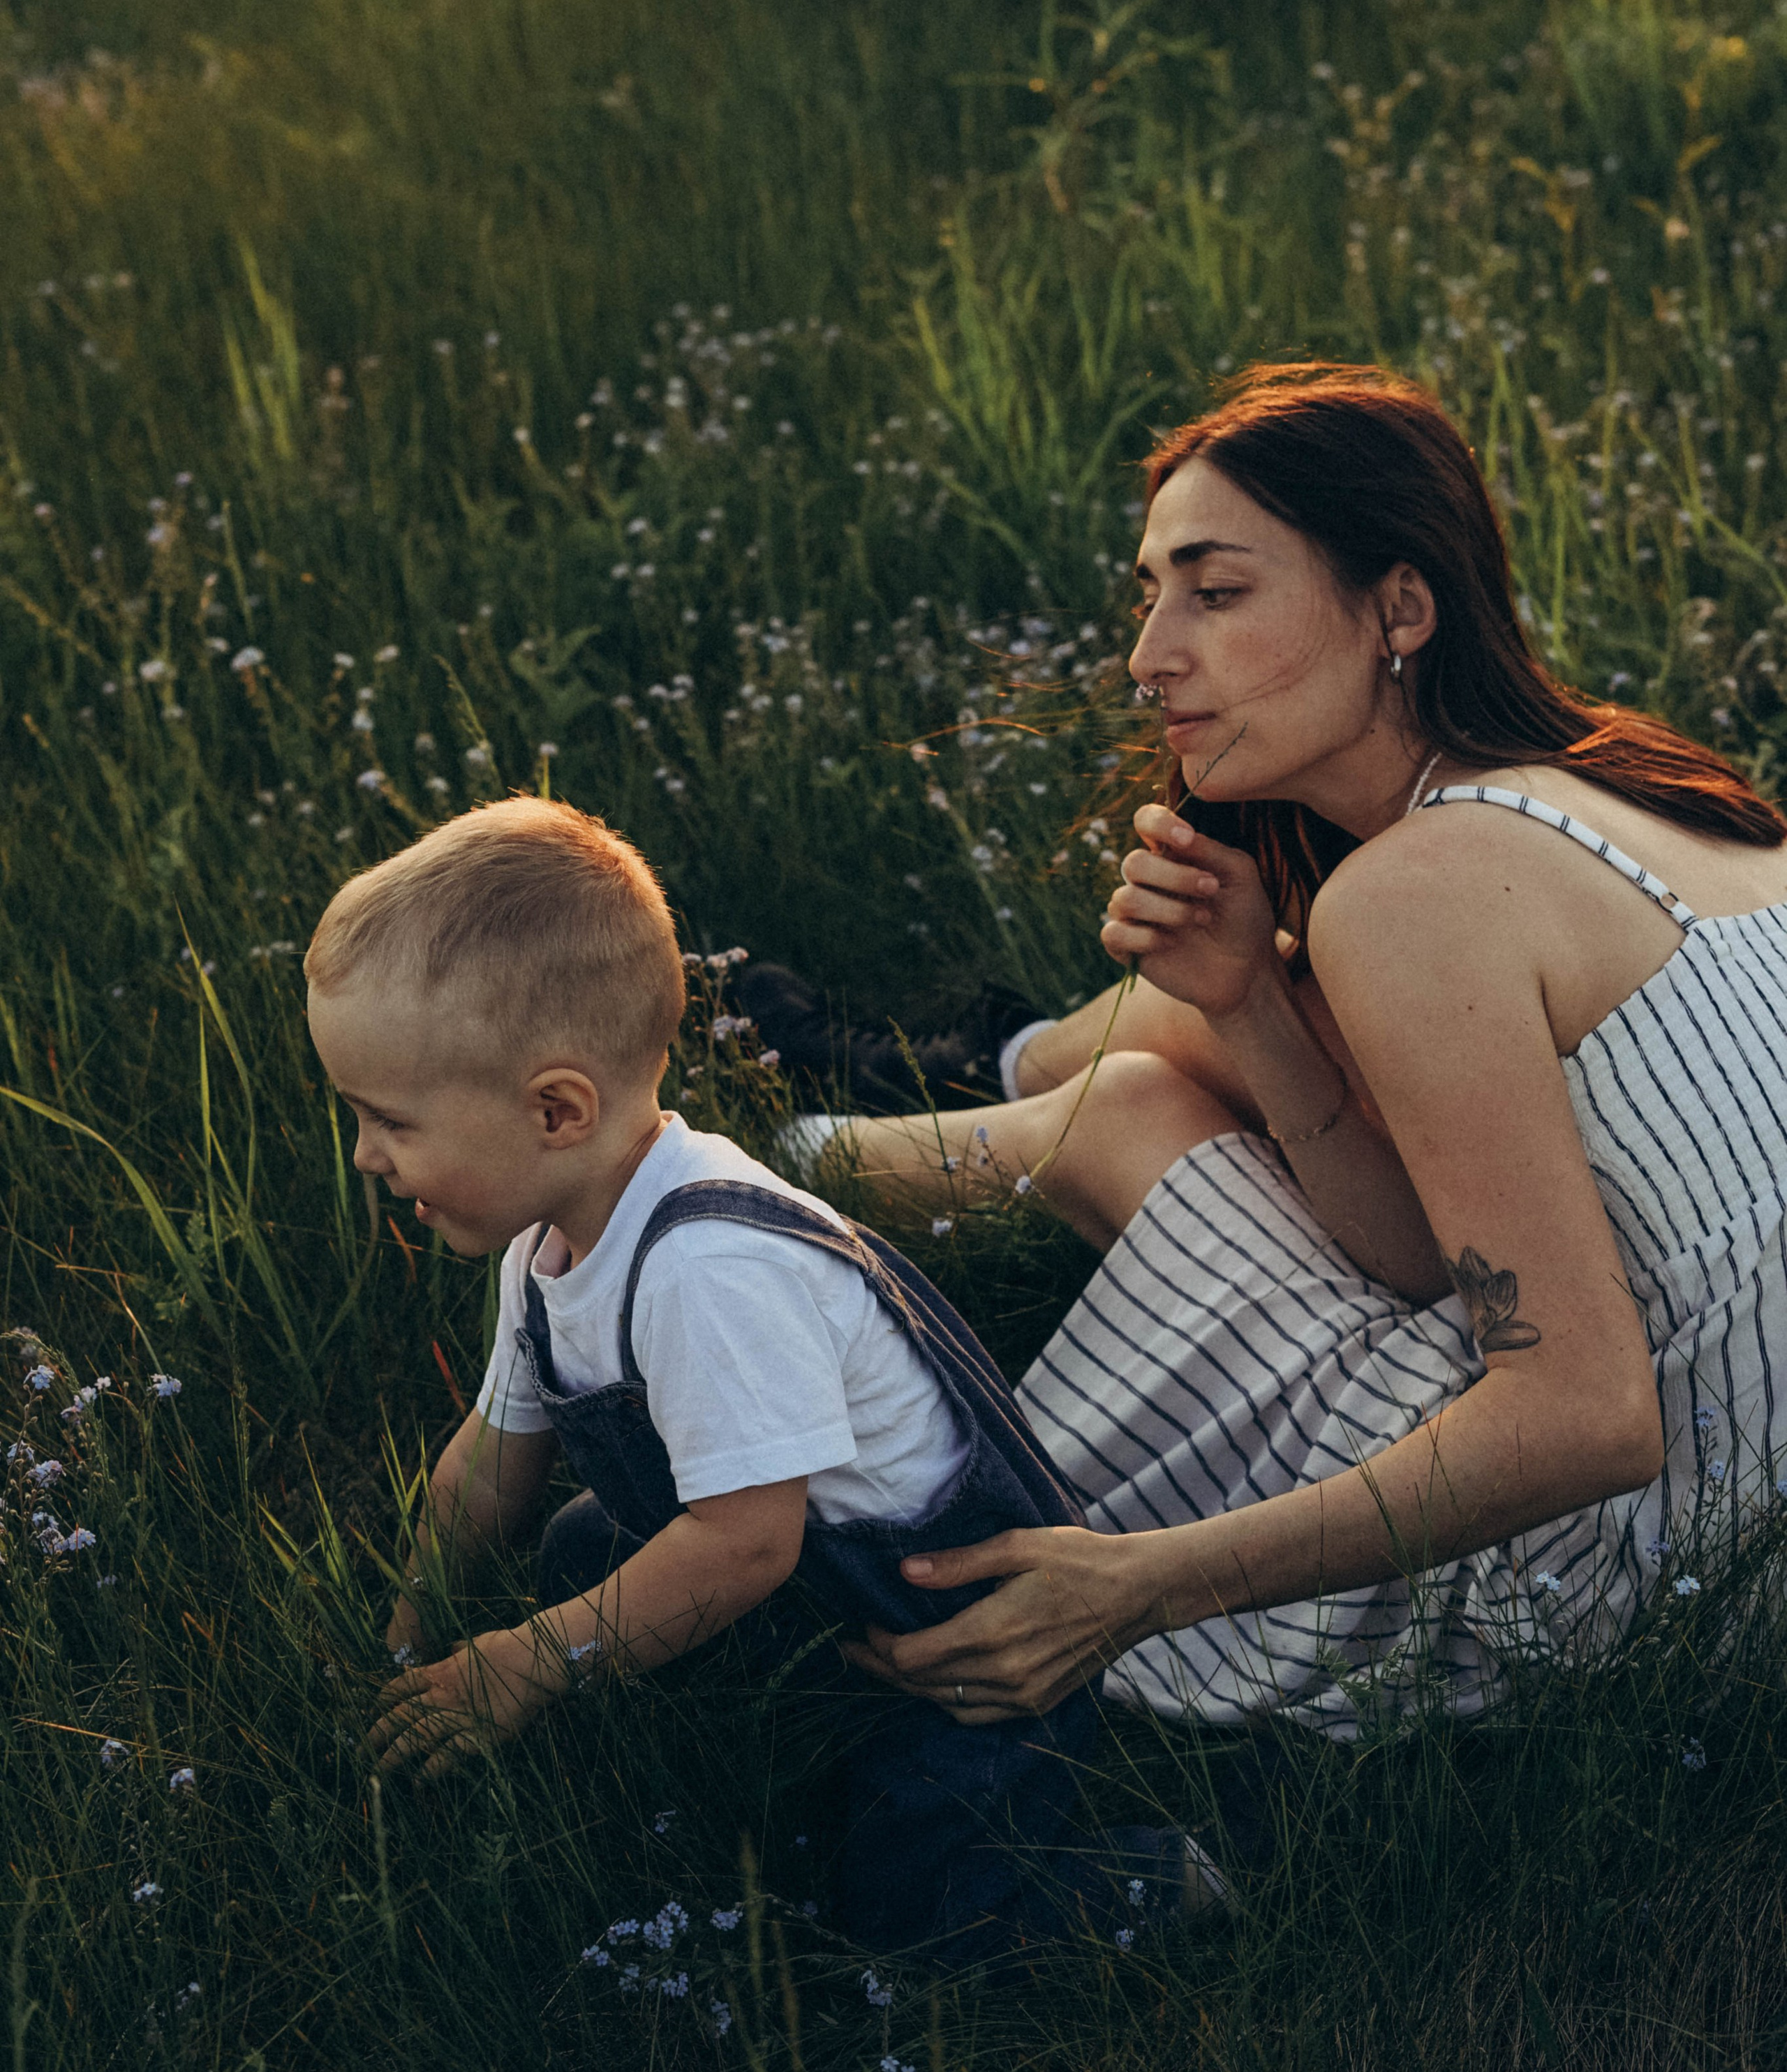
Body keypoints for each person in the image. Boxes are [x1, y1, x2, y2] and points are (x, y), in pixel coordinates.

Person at [798, 364, 1787, 1739]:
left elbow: (1583, 1416)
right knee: (1164, 1058)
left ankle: (772, 1176)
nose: (1149, 658)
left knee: (1125, 1113)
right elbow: (1438, 1266)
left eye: (1214, 592)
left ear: (1399, 609)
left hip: (1659, 1580)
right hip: (1745, 1521)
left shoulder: (1418, 894)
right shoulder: (1655, 794)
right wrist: (1250, 1008)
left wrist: (1139, 1588)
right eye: (1149, 597)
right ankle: (821, 1141)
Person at [303, 798, 1206, 1963]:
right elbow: (487, 1468)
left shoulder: (709, 1269)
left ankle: (1169, 1873)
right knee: (580, 1550)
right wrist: (407, 1641)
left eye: (389, 1122)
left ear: (556, 1111)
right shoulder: (550, 1243)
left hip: (957, 1634)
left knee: (912, 1924)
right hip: (817, 1585)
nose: (367, 1157)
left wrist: (531, 1660)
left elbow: (743, 1547)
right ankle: (771, 1730)